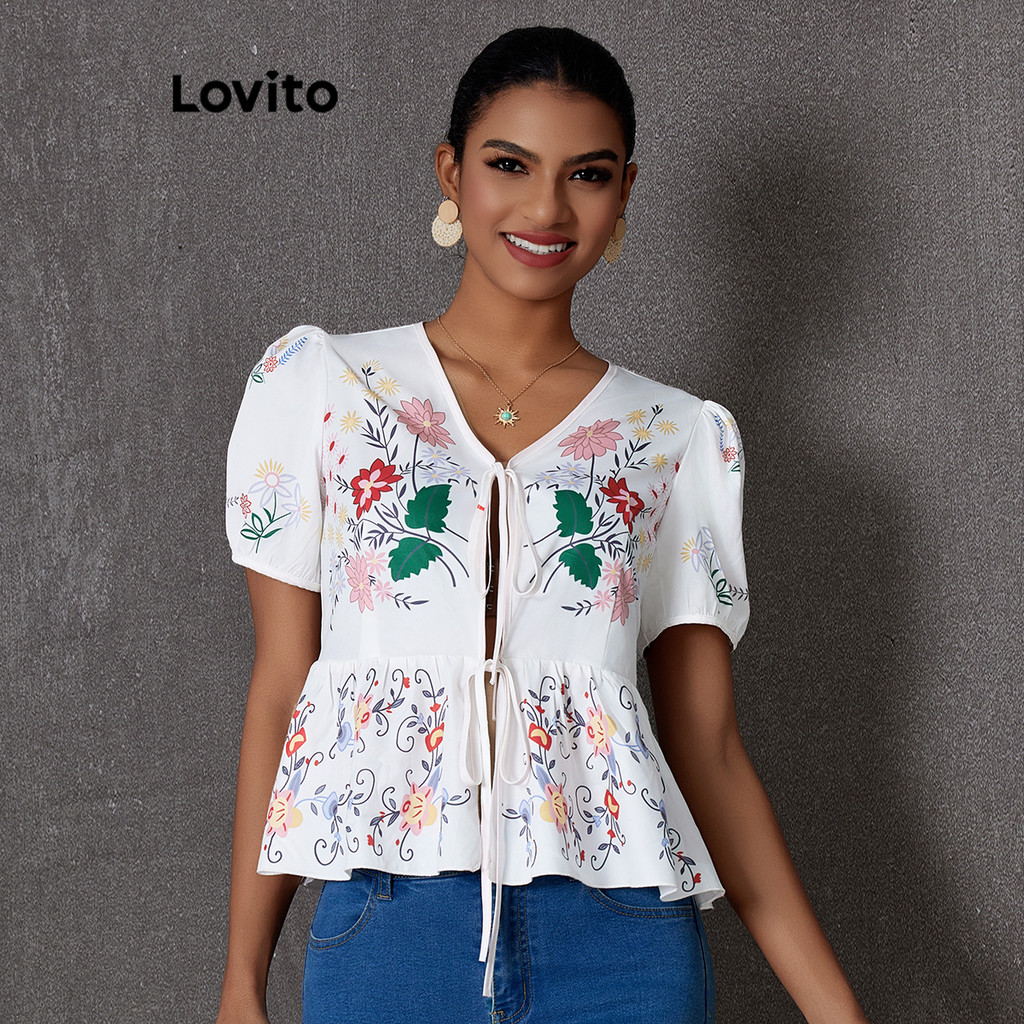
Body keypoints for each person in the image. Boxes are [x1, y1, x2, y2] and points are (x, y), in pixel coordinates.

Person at [215, 25, 870, 1024]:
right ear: (452, 172)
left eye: (587, 174)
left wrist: (835, 1011)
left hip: (625, 944)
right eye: (509, 165)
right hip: (390, 934)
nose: (546, 208)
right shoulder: (325, 387)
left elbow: (708, 748)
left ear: (624, 194)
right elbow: (281, 688)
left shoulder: (674, 437)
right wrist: (240, 982)